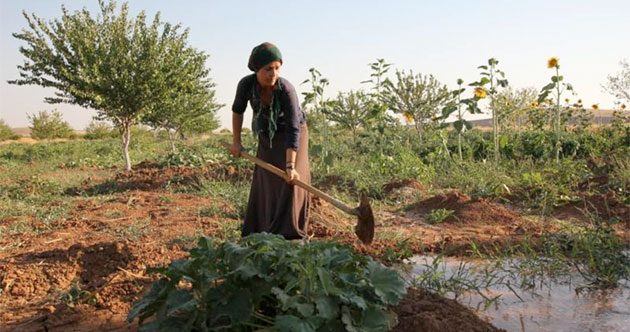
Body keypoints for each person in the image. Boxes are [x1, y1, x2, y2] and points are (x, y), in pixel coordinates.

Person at [230, 42, 311, 240]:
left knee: (292, 181)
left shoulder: (286, 90)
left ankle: (291, 235)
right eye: (267, 69)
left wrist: (291, 165)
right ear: (256, 70)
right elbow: (237, 110)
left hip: (294, 135)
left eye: (277, 68)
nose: (273, 73)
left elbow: (293, 126)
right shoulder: (246, 85)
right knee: (266, 180)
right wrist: (236, 142)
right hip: (267, 134)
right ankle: (262, 230)